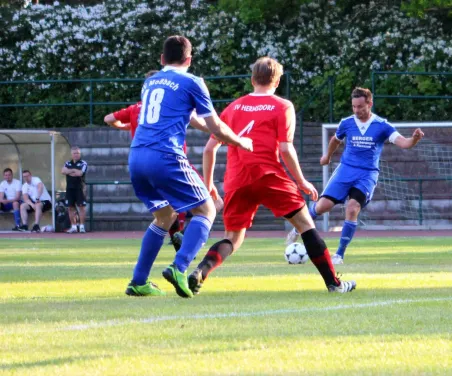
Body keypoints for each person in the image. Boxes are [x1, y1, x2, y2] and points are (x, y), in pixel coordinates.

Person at [188, 56, 356, 295]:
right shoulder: (282, 106)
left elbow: (209, 149)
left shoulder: (233, 107)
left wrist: (208, 186)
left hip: (237, 179)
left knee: (232, 239)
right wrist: (301, 181)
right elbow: (286, 148)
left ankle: (201, 271)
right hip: (268, 176)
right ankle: (334, 284)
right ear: (277, 81)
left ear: (252, 79)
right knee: (306, 226)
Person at [126, 35, 252, 298]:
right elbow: (214, 124)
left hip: (137, 157)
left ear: (161, 59)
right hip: (165, 156)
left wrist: (220, 134)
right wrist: (240, 142)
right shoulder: (192, 82)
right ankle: (179, 267)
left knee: (164, 217)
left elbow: (193, 119)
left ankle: (139, 281)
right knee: (206, 209)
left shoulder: (150, 82)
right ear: (189, 60)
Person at [286, 87, 424, 264]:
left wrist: (414, 140)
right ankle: (298, 229)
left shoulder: (382, 126)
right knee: (322, 206)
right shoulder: (347, 123)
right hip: (345, 170)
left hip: (367, 175)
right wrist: (327, 156)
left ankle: (339, 255)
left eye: (360, 106)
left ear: (370, 104)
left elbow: (403, 143)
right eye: (354, 107)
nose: (357, 110)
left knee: (352, 208)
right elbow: (335, 140)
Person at [104, 70, 222, 250]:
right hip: (171, 159)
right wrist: (225, 134)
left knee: (165, 213)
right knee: (212, 204)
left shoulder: (136, 108)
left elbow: (109, 118)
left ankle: (145, 271)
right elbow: (205, 125)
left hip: (139, 160)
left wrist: (125, 127)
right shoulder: (173, 103)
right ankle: (185, 244)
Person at [61, 146, 88, 233]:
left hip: (79, 188)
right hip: (69, 188)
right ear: (71, 154)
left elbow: (80, 173)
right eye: (74, 153)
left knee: (81, 207)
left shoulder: (83, 163)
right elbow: (63, 171)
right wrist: (73, 171)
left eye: (77, 153)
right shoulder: (67, 163)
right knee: (70, 207)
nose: (76, 155)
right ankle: (73, 226)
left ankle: (82, 226)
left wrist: (69, 171)